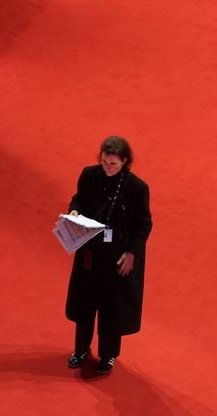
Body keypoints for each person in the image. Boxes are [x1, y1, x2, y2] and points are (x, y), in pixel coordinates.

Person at [65, 135, 153, 375]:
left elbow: (144, 225)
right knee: (85, 303)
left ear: (125, 161)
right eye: (104, 162)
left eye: (112, 163)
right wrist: (74, 210)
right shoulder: (89, 175)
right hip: (90, 251)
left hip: (116, 257)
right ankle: (81, 349)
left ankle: (108, 355)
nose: (107, 167)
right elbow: (78, 200)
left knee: (112, 307)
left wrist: (132, 253)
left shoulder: (137, 188)